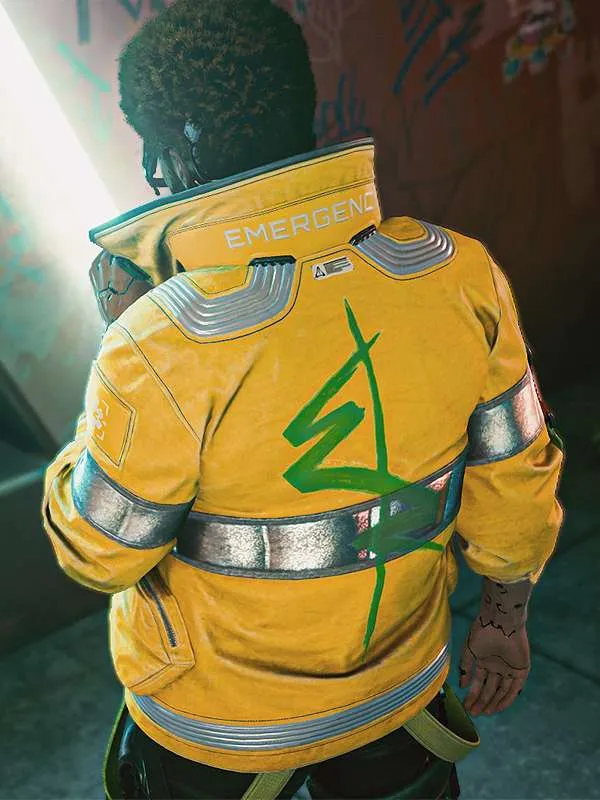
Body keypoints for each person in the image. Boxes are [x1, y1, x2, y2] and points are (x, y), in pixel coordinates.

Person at [42, 0, 564, 797]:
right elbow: (516, 487)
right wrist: (503, 620)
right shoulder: (460, 274)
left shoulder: (160, 338)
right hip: (400, 696)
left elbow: (99, 551)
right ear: (300, 107)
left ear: (170, 154)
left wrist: (120, 351)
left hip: (216, 727)